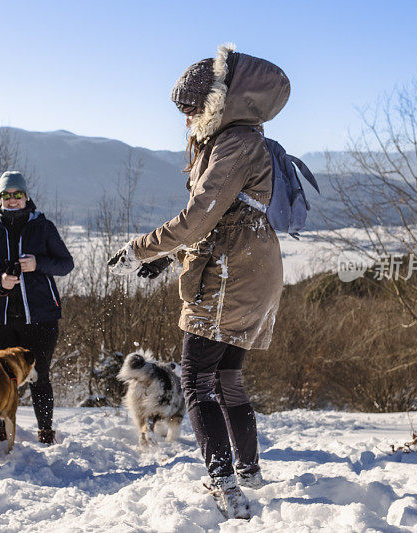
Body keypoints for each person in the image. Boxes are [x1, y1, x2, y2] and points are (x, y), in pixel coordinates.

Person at [108, 43, 289, 518]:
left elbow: (198, 219)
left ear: (215, 103)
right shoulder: (243, 139)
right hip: (253, 267)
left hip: (231, 274)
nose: (186, 120)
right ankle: (247, 472)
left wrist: (140, 248)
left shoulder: (233, 144)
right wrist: (171, 259)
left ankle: (225, 486)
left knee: (195, 380)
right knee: (228, 376)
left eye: (190, 109)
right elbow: (221, 218)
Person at [0, 170, 74, 445]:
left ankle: (45, 432)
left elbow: (66, 264)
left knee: (40, 376)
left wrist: (37, 264)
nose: (12, 199)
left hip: (40, 318)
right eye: (6, 195)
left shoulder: (43, 227)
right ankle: (1, 433)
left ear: (26, 196)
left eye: (17, 194)